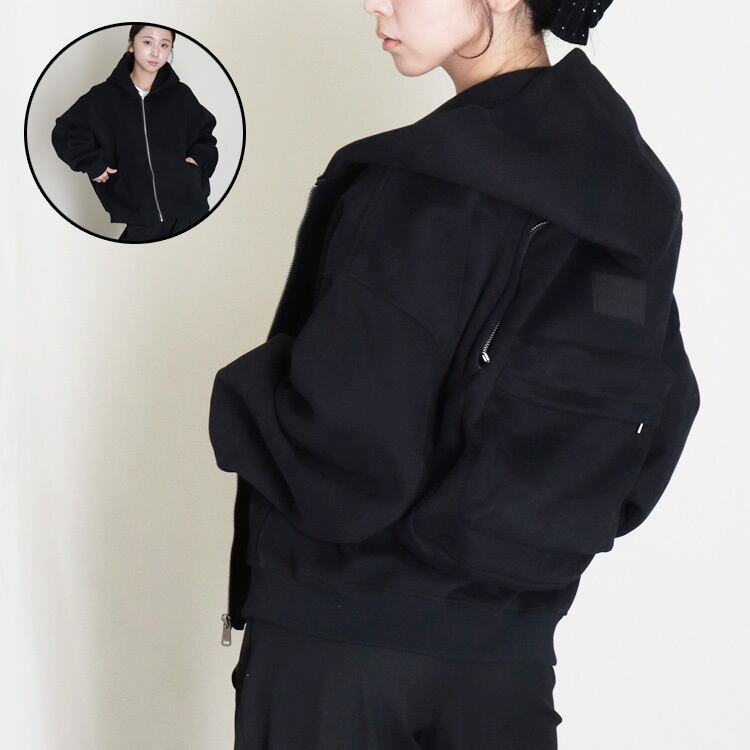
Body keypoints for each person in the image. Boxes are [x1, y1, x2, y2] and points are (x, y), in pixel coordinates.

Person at [208, 1, 700, 748]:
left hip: (339, 646)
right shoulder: (635, 197)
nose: (375, 3)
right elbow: (660, 412)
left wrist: (245, 397)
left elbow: (343, 445)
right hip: (507, 664)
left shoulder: (423, 184)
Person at [51, 24, 218, 242]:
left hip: (191, 211)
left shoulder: (180, 95)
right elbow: (65, 131)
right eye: (147, 42)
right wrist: (92, 163)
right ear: (131, 44)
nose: (156, 53)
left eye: (164, 45)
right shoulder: (103, 97)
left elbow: (205, 137)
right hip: (140, 217)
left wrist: (197, 162)